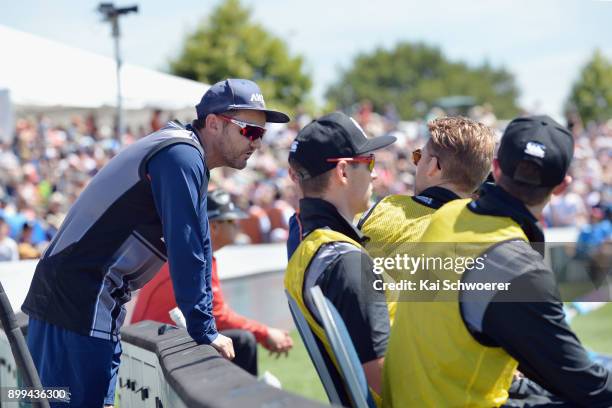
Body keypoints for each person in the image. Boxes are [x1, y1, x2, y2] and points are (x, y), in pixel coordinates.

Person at [21, 78, 290, 407]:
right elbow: (186, 248)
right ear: (214, 123)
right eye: (250, 131)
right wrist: (204, 330)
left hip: (84, 296)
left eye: (261, 134)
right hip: (78, 298)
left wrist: (205, 325)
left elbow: (200, 246)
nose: (257, 143)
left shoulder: (188, 155)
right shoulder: (182, 155)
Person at [383, 115, 612, 407]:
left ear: (496, 168)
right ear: (561, 187)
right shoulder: (517, 266)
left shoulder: (447, 216)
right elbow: (586, 385)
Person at [284, 112, 396, 404]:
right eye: (368, 162)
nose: (374, 173)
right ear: (343, 172)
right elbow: (383, 377)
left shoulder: (306, 246)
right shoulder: (347, 261)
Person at [131, 189, 293, 376]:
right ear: (213, 226)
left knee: (236, 340)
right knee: (243, 341)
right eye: (232, 221)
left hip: (152, 345)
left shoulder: (192, 250)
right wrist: (265, 333)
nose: (238, 226)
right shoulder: (194, 256)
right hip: (152, 351)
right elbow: (217, 315)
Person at [357, 116, 496, 324]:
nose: (416, 164)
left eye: (418, 156)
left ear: (434, 166)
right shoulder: (489, 239)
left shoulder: (384, 210)